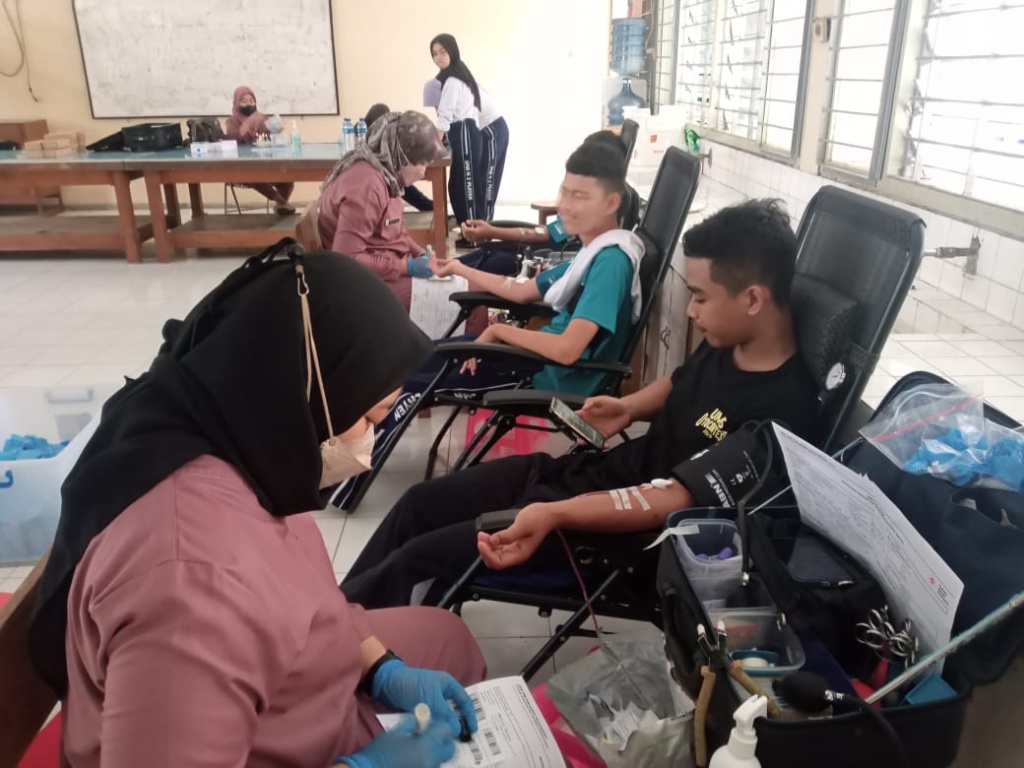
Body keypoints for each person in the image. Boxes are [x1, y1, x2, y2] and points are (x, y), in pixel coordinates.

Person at [28, 252, 486, 767]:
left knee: (449, 637)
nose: (369, 440)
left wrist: (380, 666)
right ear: (309, 395)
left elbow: (300, 588)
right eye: (368, 418)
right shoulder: (189, 587)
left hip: (291, 682)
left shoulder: (241, 441)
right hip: (254, 732)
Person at [340, 199, 821, 609]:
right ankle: (336, 620)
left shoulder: (781, 416)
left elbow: (672, 501)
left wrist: (556, 514)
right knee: (420, 503)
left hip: (615, 541)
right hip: (587, 479)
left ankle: (345, 653)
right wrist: (629, 409)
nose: (690, 310)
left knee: (418, 556)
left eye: (699, 297)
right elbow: (679, 383)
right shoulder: (728, 342)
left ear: (752, 299)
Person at [332, 140, 644, 510]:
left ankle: (341, 484)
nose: (567, 205)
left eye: (581, 196)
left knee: (413, 381)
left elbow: (568, 349)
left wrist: (497, 331)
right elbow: (523, 291)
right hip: (529, 359)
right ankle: (341, 454)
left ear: (611, 203)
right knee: (411, 359)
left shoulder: (610, 263)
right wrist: (459, 268)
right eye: (564, 191)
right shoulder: (591, 252)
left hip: (541, 375)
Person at [318, 111, 447, 312]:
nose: (423, 173)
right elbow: (347, 258)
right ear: (401, 156)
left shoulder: (387, 176)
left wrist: (420, 253)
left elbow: (396, 231)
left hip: (376, 268)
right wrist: (407, 267)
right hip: (359, 285)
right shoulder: (367, 185)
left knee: (461, 285)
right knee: (461, 299)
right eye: (422, 163)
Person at [428, 34, 509, 232]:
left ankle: (482, 233)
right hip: (476, 130)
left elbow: (444, 117)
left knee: (485, 183)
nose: (438, 57)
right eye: (434, 53)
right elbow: (446, 115)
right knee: (464, 184)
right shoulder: (452, 76)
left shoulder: (454, 79)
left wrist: (432, 148)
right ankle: (472, 229)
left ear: (452, 51)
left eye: (442, 52)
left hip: (492, 130)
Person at [225, 85, 296, 214]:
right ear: (236, 103)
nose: (249, 104)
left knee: (287, 176)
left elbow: (268, 138)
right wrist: (249, 122)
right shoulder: (232, 121)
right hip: (242, 168)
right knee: (254, 175)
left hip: (264, 163)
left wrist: (276, 130)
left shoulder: (261, 119)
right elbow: (232, 138)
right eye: (244, 101)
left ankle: (281, 205)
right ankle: (281, 202)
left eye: (251, 101)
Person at [364, 102, 435, 213]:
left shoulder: (382, 131)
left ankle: (428, 205)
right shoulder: (364, 131)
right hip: (373, 171)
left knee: (399, 178)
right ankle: (429, 206)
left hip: (380, 171)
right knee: (398, 179)